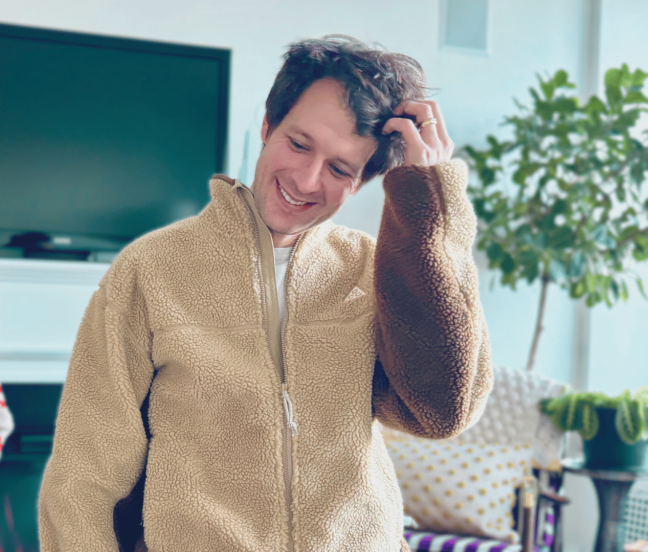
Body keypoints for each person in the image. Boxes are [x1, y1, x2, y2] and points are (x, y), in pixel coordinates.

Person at [37, 35, 493, 552]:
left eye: (340, 169)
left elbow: (443, 410)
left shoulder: (377, 272)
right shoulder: (151, 270)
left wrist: (431, 199)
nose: (307, 179)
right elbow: (84, 475)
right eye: (298, 144)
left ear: (361, 182)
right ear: (268, 126)